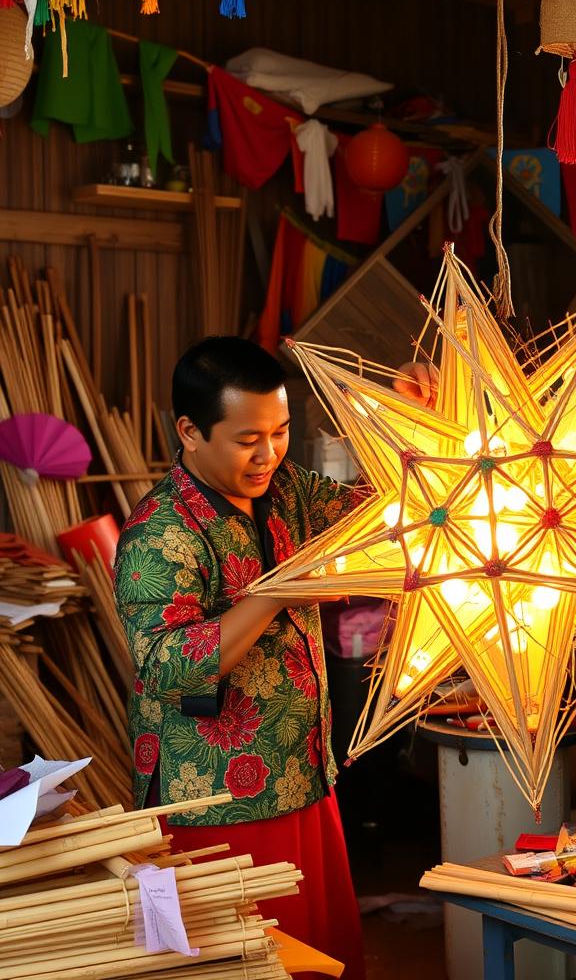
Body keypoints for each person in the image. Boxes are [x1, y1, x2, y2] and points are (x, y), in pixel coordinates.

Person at [114, 337, 436, 976]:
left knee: (318, 957)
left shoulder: (287, 489)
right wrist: (277, 592)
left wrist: (410, 418)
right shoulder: (160, 531)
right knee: (253, 962)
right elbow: (165, 666)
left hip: (302, 771)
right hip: (214, 798)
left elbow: (387, 510)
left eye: (281, 432)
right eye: (246, 440)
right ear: (190, 431)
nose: (268, 455)